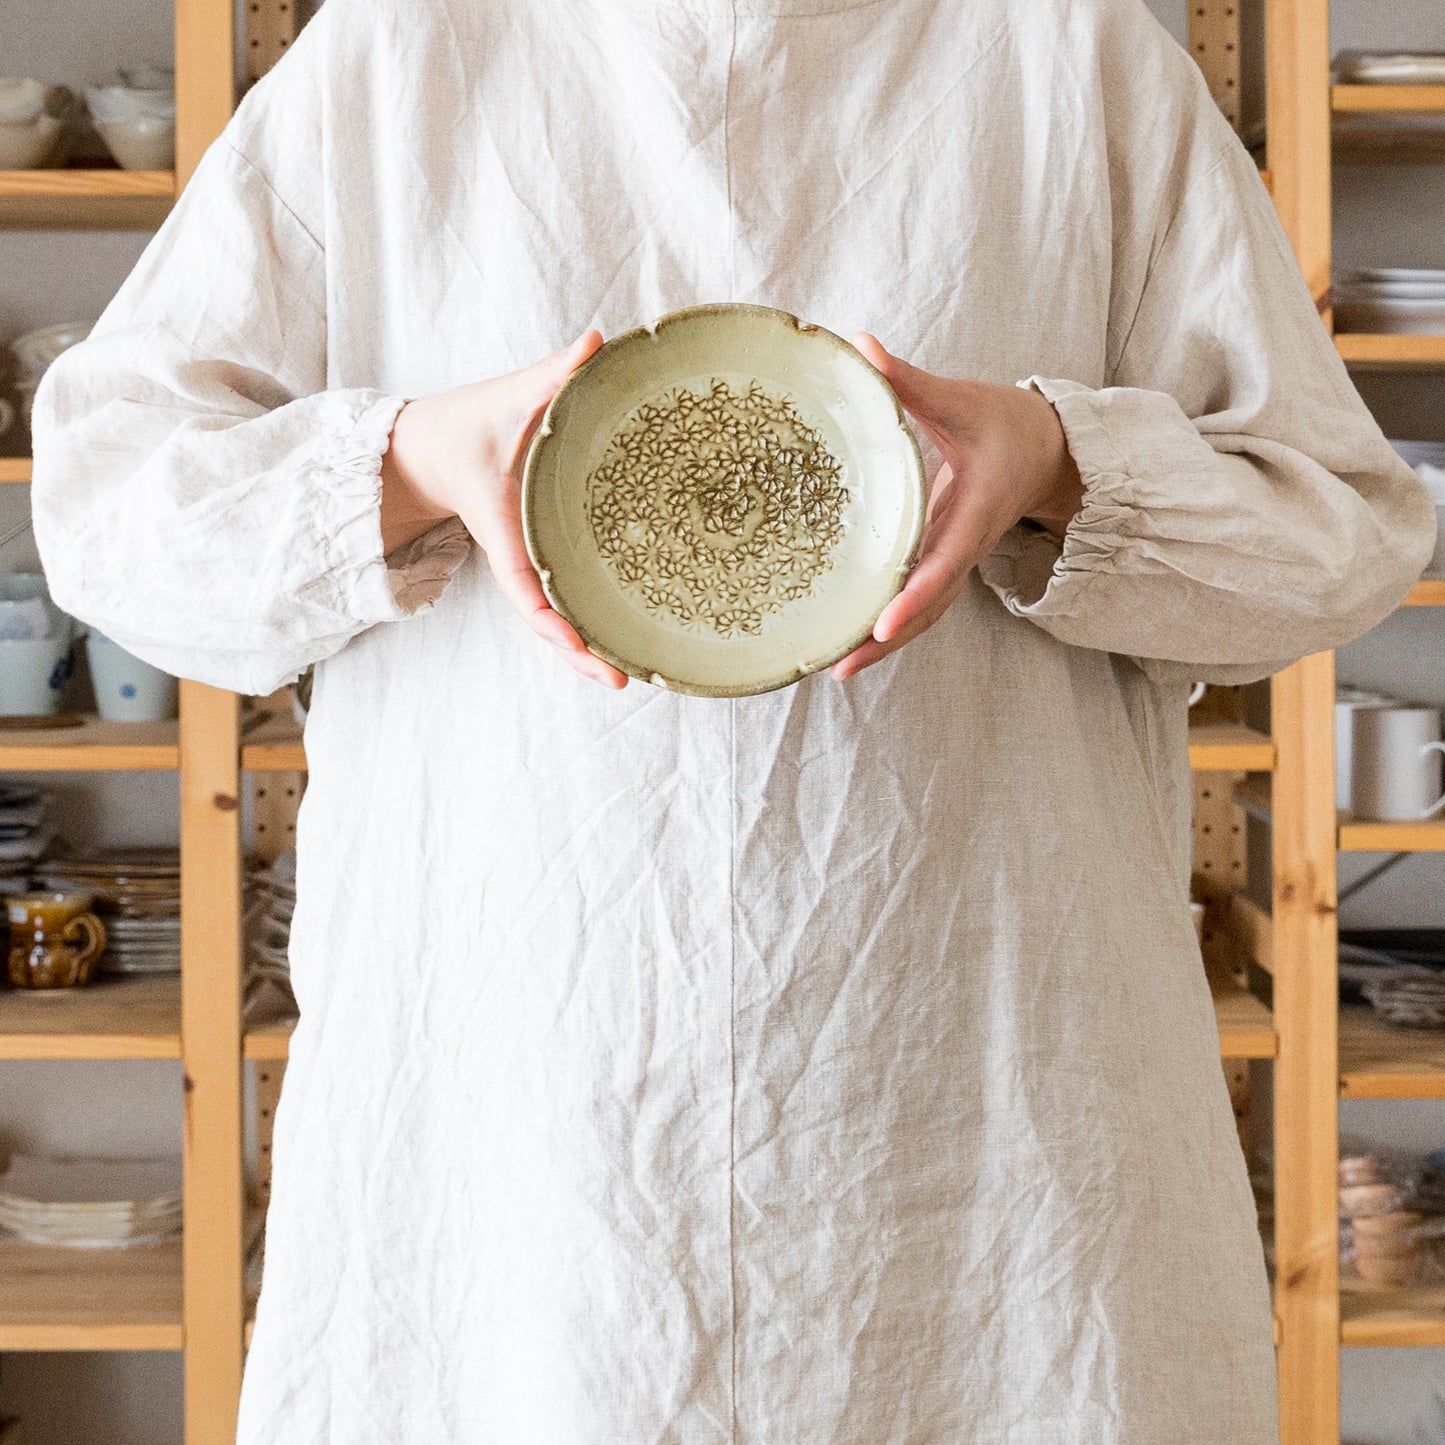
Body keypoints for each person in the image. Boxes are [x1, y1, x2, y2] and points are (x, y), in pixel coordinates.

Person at [27, 0, 1436, 1438]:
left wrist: (1055, 454)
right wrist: (414, 457)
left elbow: (1332, 534)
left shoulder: (1069, 54)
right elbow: (111, 508)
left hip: (991, 1112)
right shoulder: (402, 53)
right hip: (515, 1120)